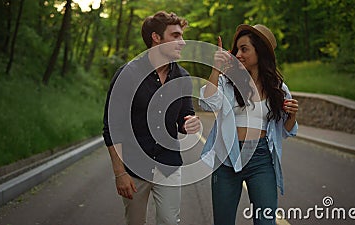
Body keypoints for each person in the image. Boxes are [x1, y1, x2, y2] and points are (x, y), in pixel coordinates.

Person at [102, 11, 200, 225]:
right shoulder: (127, 74)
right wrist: (120, 173)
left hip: (169, 165)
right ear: (156, 38)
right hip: (134, 167)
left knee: (169, 221)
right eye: (175, 36)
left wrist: (190, 121)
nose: (182, 42)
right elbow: (111, 127)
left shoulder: (182, 77)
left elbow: (185, 114)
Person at [199, 24, 298, 225]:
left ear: (260, 52)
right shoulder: (227, 83)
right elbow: (206, 103)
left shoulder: (278, 89)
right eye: (237, 49)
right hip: (227, 159)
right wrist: (216, 70)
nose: (238, 54)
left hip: (261, 160)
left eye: (244, 49)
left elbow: (286, 132)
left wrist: (292, 116)